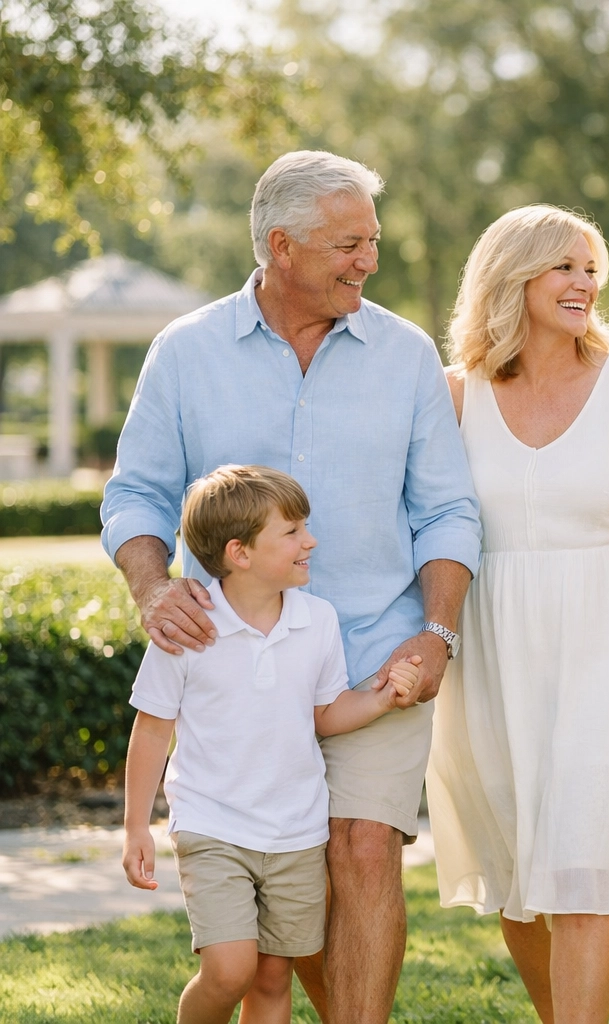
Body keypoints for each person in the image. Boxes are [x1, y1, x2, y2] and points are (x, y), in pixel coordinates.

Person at [103, 150, 482, 1024]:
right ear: (282, 245)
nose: (368, 261)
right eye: (349, 245)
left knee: (362, 846)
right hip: (241, 670)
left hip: (377, 651)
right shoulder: (186, 352)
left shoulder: (405, 354)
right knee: (288, 879)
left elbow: (448, 509)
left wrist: (437, 633)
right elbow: (135, 495)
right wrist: (154, 588)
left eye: (372, 241)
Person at [425, 205, 609, 1023]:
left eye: (591, 270)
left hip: (607, 644)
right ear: (512, 277)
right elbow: (424, 526)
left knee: (583, 871)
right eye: (565, 267)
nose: (585, 283)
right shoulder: (454, 396)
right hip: (491, 653)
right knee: (519, 879)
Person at [121, 465, 422, 1024]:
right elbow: (153, 729)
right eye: (292, 532)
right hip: (213, 825)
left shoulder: (317, 620)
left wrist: (381, 698)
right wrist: (137, 826)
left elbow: (325, 713)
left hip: (295, 833)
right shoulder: (186, 628)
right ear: (239, 553)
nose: (310, 541)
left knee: (271, 978)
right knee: (230, 970)